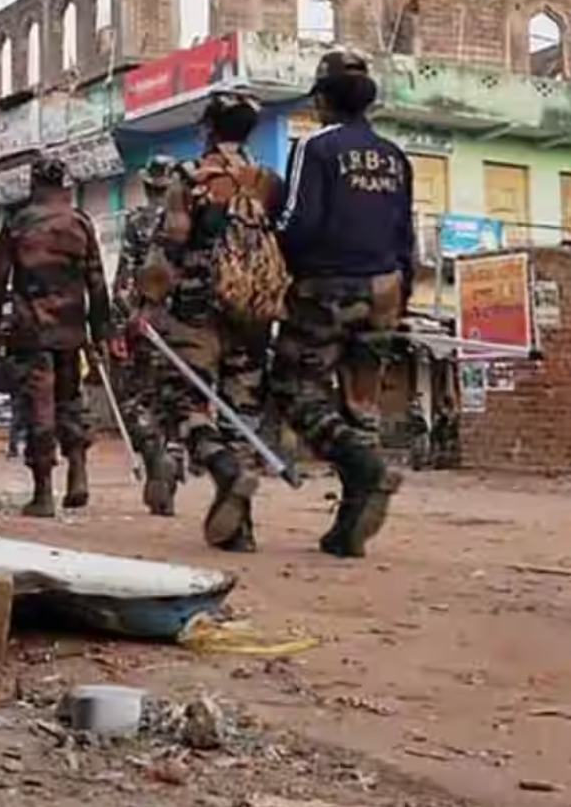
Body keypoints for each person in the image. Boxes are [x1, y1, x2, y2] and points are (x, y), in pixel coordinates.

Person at [269, 50, 413, 558]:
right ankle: (349, 527)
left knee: (292, 389)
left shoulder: (316, 147)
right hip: (386, 289)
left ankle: (363, 467)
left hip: (328, 286)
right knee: (360, 405)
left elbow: (298, 222)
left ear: (322, 100)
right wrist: (402, 293)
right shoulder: (394, 155)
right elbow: (405, 233)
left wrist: (275, 243)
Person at [143, 90, 286, 550]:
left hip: (196, 308)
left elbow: (171, 244)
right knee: (241, 414)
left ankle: (225, 471)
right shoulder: (267, 181)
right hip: (253, 313)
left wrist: (147, 303)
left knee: (183, 402)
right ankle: (241, 531)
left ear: (207, 128)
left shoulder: (190, 176)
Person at [0, 156, 112, 517]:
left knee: (39, 406)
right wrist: (100, 331)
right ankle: (78, 469)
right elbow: (97, 282)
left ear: (33, 182)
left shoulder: (19, 222)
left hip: (32, 331)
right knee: (70, 400)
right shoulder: (81, 223)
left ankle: (42, 494)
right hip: (71, 331)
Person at [116, 155, 181, 517]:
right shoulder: (193, 222)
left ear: (146, 185)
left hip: (148, 324)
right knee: (181, 402)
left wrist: (120, 321)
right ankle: (173, 456)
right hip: (188, 327)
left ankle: (156, 456)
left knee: (138, 400)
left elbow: (125, 282)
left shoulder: (137, 222)